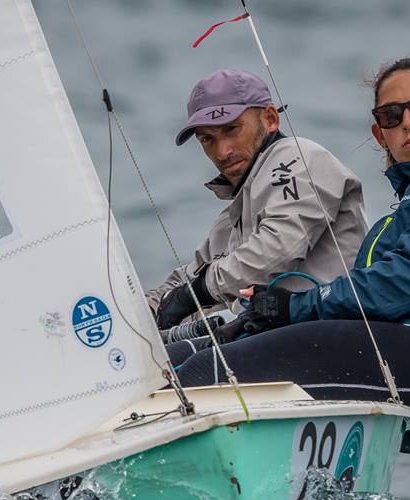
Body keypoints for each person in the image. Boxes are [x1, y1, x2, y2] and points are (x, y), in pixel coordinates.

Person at [172, 55, 410, 454]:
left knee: (205, 374)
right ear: (380, 134)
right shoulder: (408, 207)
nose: (408, 122)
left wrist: (293, 307)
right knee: (174, 365)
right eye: (391, 115)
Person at [147, 69, 368, 330]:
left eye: (232, 129)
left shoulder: (297, 157)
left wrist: (197, 292)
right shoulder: (231, 220)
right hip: (286, 339)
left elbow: (278, 247)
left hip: (337, 333)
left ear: (270, 118)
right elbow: (186, 280)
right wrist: (141, 310)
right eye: (207, 139)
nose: (222, 152)